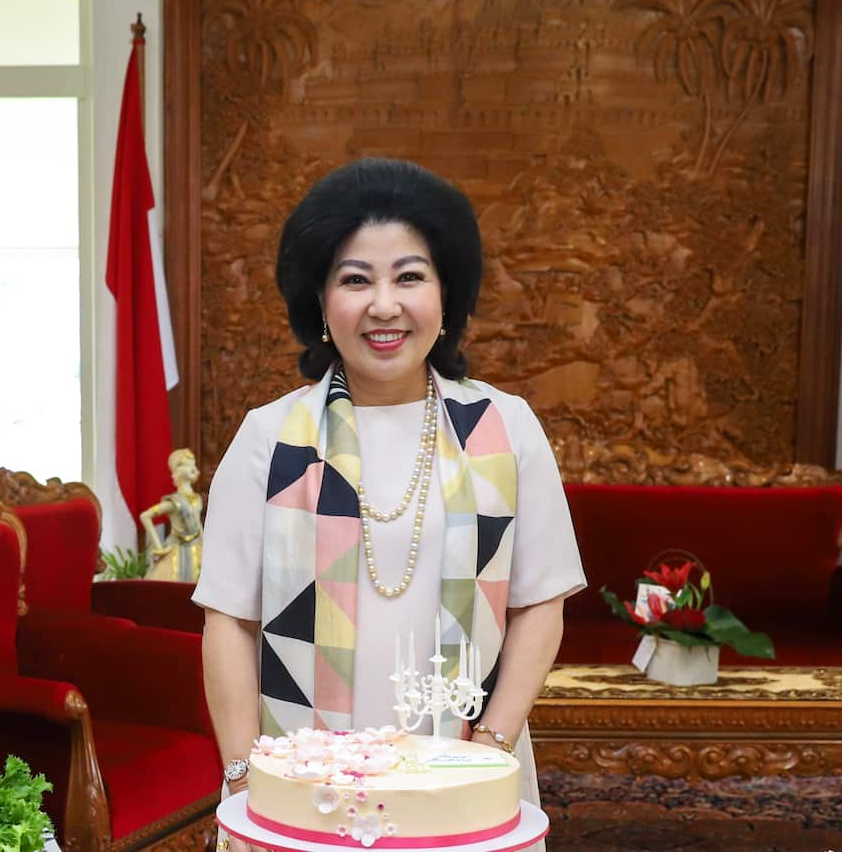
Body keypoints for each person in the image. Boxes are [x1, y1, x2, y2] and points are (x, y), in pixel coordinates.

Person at [194, 157, 586, 851]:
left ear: (447, 295)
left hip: (467, 771)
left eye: (409, 276)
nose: (384, 304)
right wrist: (241, 774)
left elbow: (540, 604)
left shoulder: (506, 427)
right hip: (300, 784)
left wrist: (490, 749)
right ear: (319, 301)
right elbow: (229, 621)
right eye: (355, 279)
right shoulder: (268, 437)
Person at [139, 448, 204, 583]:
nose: (192, 468)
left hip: (197, 550)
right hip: (177, 551)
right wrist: (159, 548)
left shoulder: (197, 499)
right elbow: (146, 516)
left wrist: (204, 545)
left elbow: (198, 525)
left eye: (193, 464)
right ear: (177, 470)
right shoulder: (174, 502)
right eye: (187, 464)